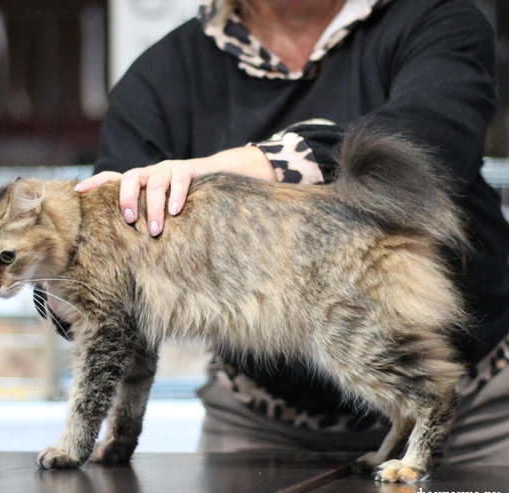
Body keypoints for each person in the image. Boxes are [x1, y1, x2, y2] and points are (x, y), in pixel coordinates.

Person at [74, 0, 509, 463]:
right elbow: (103, 257)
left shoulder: (435, 17)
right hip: (261, 423)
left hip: (472, 415)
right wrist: (65, 275)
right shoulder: (164, 72)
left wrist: (240, 168)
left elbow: (429, 146)